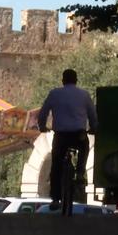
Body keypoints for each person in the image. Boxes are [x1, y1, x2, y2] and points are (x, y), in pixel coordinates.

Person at [38, 69, 98, 210]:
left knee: (56, 165)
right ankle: (80, 172)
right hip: (79, 134)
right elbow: (92, 115)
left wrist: (42, 126)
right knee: (84, 146)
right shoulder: (84, 95)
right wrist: (94, 128)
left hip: (61, 135)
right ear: (76, 80)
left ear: (63, 80)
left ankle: (55, 199)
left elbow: (43, 112)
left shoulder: (54, 94)